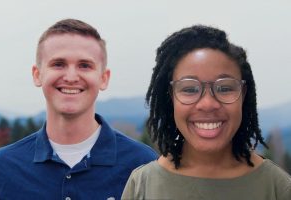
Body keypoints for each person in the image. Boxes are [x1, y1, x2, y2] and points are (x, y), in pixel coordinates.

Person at [0, 18, 157, 200]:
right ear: (37, 75)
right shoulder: (0, 168)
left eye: (84, 65)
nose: (71, 77)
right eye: (58, 64)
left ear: (104, 78)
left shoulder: (142, 164)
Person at [121, 25, 291, 200]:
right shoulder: (142, 185)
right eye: (189, 89)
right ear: (171, 97)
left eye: (224, 88)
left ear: (243, 94)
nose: (208, 104)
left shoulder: (278, 188)